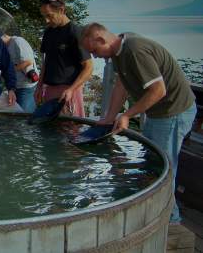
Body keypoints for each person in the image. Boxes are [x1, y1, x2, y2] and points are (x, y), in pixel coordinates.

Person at [80, 22, 197, 224]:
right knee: (152, 164)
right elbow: (121, 85)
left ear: (101, 39)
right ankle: (156, 212)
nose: (96, 56)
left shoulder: (135, 50)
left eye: (95, 50)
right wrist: (109, 117)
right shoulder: (117, 51)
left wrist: (127, 115)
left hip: (173, 111)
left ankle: (171, 220)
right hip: (157, 112)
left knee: (164, 169)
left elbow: (159, 91)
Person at [35, 0, 93, 116]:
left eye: (49, 16)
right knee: (49, 131)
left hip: (68, 91)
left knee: (70, 132)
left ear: (61, 10)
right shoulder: (48, 32)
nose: (46, 20)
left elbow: (88, 67)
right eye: (44, 16)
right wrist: (39, 86)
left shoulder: (75, 32)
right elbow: (46, 61)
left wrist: (71, 90)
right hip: (49, 89)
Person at [0, 29, 39, 112]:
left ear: (2, 37)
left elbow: (28, 61)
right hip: (16, 87)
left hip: (26, 87)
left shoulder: (18, 41)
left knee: (24, 116)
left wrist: (10, 69)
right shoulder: (5, 48)